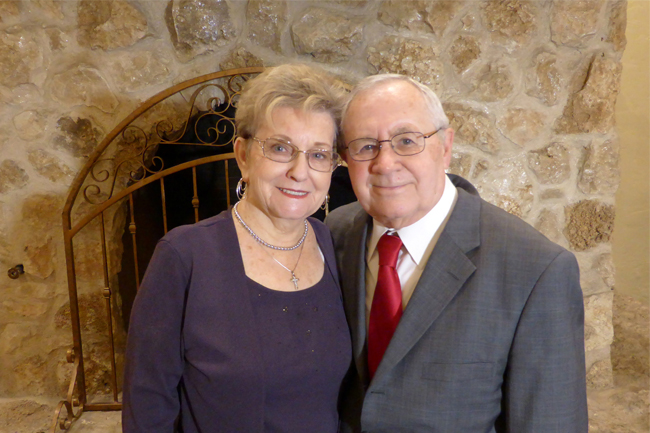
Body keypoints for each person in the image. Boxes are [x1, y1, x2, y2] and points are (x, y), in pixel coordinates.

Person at [326, 74, 588, 432]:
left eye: (407, 141)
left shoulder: (536, 270)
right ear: (346, 159)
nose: (385, 164)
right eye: (365, 146)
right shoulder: (335, 234)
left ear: (445, 147)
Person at [123, 64, 352, 432]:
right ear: (243, 155)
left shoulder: (331, 243)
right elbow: (147, 404)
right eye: (280, 148)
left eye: (319, 154)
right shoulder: (184, 255)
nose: (300, 171)